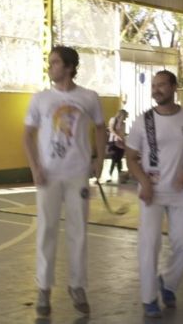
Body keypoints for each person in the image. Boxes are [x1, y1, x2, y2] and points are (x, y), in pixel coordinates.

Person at [23, 45, 107, 317]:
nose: (51, 67)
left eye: (56, 62)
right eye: (50, 62)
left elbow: (100, 128)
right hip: (49, 175)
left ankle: (77, 285)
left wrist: (100, 160)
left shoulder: (89, 97)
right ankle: (44, 288)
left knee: (78, 232)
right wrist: (35, 167)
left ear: (69, 67)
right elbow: (27, 134)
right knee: (46, 229)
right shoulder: (40, 99)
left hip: (77, 174)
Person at [125, 70, 183, 318]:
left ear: (174, 87)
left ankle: (168, 283)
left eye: (161, 85)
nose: (156, 89)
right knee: (149, 246)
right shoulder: (143, 121)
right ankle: (149, 299)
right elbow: (130, 158)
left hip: (180, 192)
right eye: (154, 85)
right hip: (152, 193)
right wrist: (144, 183)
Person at [107, 109, 128, 183]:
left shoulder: (123, 124)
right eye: (125, 116)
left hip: (120, 144)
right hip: (113, 142)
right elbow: (111, 129)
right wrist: (117, 136)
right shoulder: (113, 120)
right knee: (114, 159)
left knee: (119, 160)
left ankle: (120, 177)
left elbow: (123, 133)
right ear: (121, 115)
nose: (125, 118)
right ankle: (109, 176)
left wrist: (124, 141)